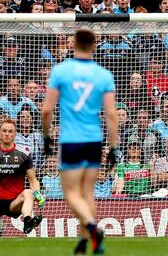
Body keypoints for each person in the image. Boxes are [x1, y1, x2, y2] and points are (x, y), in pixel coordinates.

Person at [41, 28, 119, 255]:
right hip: (94, 139)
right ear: (94, 45)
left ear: (73, 43)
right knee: (87, 193)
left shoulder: (61, 71)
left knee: (72, 194)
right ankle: (84, 242)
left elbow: (47, 110)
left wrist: (46, 136)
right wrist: (113, 146)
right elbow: (111, 114)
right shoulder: (104, 74)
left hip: (71, 139)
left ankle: (93, 229)